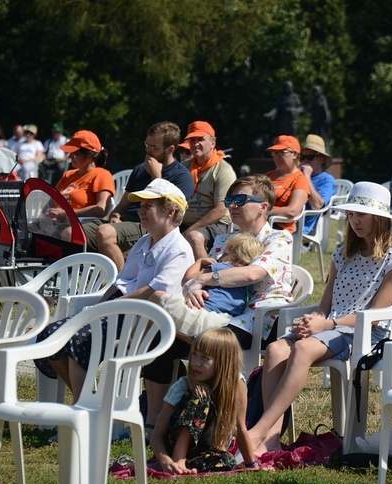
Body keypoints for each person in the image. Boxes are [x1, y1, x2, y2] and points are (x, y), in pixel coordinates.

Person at [248, 181, 392, 454]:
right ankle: (272, 439)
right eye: (350, 214)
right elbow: (326, 305)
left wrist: (326, 324)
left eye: (361, 215)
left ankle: (257, 431)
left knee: (301, 348)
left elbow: (375, 317)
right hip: (330, 328)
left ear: (380, 219)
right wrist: (311, 322)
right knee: (276, 349)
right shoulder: (344, 253)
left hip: (364, 333)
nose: (354, 221)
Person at [141, 174, 293, 436]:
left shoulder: (278, 239)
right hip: (215, 312)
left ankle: (211, 425)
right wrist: (193, 290)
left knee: (203, 339)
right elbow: (196, 276)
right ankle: (154, 423)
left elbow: (252, 274)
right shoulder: (224, 240)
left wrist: (204, 279)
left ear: (264, 207)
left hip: (253, 318)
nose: (232, 205)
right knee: (159, 337)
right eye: (230, 200)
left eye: (241, 200)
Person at [34, 178, 194, 402]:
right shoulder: (144, 242)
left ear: (170, 211)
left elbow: (153, 292)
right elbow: (121, 281)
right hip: (121, 311)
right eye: (141, 206)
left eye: (149, 206)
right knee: (50, 334)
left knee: (76, 339)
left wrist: (109, 308)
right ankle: (89, 401)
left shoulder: (179, 249)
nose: (140, 211)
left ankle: (84, 407)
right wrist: (95, 309)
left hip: (143, 321)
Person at [81, 121, 193, 271]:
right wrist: (115, 215)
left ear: (170, 149)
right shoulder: (140, 169)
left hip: (148, 224)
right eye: (146, 144)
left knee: (104, 232)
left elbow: (169, 215)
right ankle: (79, 280)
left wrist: (156, 176)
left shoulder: (181, 176)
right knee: (72, 233)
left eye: (154, 147)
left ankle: (121, 283)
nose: (147, 150)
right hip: (124, 222)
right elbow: (122, 205)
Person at [151, 328, 256, 474]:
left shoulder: (236, 383)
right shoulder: (183, 385)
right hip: (172, 447)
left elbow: (240, 428)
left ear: (224, 362)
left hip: (202, 452)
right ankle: (178, 459)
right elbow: (157, 435)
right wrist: (165, 461)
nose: (196, 363)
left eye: (205, 358)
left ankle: (187, 467)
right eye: (194, 355)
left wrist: (252, 464)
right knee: (201, 397)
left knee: (227, 461)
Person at [157, 233, 264, 339]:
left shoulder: (222, 267)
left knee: (157, 296)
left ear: (230, 251)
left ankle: (142, 340)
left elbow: (187, 279)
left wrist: (199, 262)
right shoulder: (248, 285)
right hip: (219, 322)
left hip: (199, 315)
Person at [33, 130, 114, 241]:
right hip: (56, 225)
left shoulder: (102, 174)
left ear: (90, 154)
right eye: (69, 152)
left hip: (79, 226)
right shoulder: (68, 175)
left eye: (75, 153)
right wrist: (49, 214)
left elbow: (101, 209)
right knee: (23, 230)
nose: (70, 156)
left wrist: (67, 214)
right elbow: (49, 204)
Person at [180, 121, 236, 259]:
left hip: (216, 225)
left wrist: (191, 229)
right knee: (154, 233)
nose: (195, 144)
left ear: (213, 142)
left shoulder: (223, 170)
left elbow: (221, 210)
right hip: (183, 222)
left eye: (200, 139)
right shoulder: (184, 167)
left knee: (194, 237)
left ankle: (204, 276)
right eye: (192, 140)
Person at [265, 135, 310, 233]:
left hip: (278, 228)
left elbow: (292, 211)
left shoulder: (300, 180)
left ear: (294, 154)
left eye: (281, 153)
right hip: (258, 222)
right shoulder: (269, 175)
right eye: (274, 153)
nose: (277, 157)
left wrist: (263, 213)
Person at [299, 134, 335, 236]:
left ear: (321, 160)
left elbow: (317, 205)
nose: (305, 161)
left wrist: (306, 176)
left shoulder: (327, 180)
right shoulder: (296, 176)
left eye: (310, 157)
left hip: (303, 229)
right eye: (303, 157)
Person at [309, 86, 331, 151]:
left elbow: (325, 109)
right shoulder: (314, 100)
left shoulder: (322, 99)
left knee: (323, 137)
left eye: (316, 91)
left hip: (322, 122)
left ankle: (325, 151)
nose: (315, 93)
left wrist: (327, 119)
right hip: (316, 121)